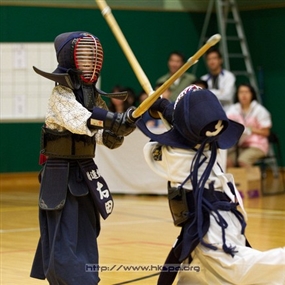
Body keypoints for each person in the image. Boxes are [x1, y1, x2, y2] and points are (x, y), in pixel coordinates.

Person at [136, 85, 285, 285]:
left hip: (212, 229)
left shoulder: (178, 157)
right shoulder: (209, 143)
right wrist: (164, 106)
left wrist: (160, 107)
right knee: (196, 274)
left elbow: (154, 147)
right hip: (219, 220)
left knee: (239, 269)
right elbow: (187, 124)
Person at [30, 31, 136, 285]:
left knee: (88, 231)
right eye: (84, 57)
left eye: (92, 57)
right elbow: (81, 120)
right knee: (63, 236)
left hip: (85, 172)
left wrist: (121, 129)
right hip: (60, 173)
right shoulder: (61, 94)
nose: (89, 62)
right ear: (71, 59)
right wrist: (112, 121)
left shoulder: (92, 95)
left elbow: (101, 134)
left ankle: (88, 278)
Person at [226, 83, 272, 168]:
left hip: (257, 145)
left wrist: (251, 130)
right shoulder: (234, 109)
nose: (244, 95)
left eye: (247, 92)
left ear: (252, 94)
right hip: (240, 145)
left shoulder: (259, 110)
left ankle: (252, 180)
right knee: (227, 161)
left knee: (243, 161)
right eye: (241, 92)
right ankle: (234, 181)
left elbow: (266, 132)